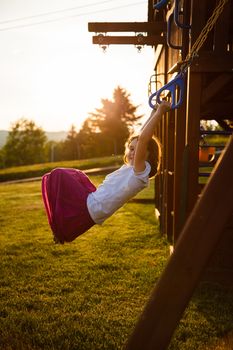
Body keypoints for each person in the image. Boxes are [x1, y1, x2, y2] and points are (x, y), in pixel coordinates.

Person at [41, 101, 171, 244]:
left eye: (136, 149)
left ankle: (58, 228)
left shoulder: (139, 172)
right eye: (131, 149)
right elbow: (141, 136)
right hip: (93, 200)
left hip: (94, 206)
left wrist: (159, 113)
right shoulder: (132, 169)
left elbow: (143, 138)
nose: (132, 152)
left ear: (148, 153)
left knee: (58, 175)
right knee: (70, 179)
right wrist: (153, 112)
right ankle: (59, 231)